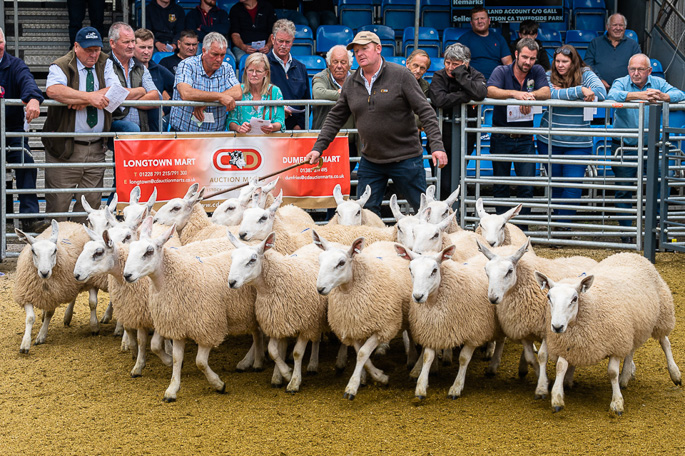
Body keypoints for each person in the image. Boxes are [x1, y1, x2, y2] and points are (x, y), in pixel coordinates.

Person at [303, 31, 447, 216]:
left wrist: (437, 146)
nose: (360, 53)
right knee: (367, 215)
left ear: (378, 49)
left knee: (424, 210)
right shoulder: (351, 82)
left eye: (365, 48)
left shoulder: (401, 75)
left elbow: (426, 111)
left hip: (406, 157)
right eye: (356, 51)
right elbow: (335, 117)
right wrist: (318, 148)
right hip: (371, 160)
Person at [43, 27, 123, 222]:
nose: (94, 54)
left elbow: (117, 90)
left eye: (97, 49)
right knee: (58, 205)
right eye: (88, 50)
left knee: (91, 207)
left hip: (96, 147)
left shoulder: (105, 62)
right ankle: (58, 241)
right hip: (64, 148)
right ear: (76, 46)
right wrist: (89, 98)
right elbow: (53, 90)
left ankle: (82, 240)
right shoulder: (61, 64)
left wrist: (81, 99)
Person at [607, 53, 685, 240]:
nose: (636, 73)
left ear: (649, 71)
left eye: (640, 69)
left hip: (654, 146)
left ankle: (657, 230)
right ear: (628, 69)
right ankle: (626, 232)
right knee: (624, 189)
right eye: (632, 69)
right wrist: (638, 96)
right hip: (625, 146)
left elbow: (680, 94)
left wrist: (665, 96)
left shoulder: (658, 83)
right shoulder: (621, 82)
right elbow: (611, 95)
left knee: (659, 186)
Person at [537, 45, 606, 225]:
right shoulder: (548, 75)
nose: (560, 65)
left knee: (573, 186)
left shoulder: (586, 73)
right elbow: (548, 94)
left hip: (579, 142)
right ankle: (557, 224)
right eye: (557, 61)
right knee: (556, 185)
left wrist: (564, 91)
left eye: (565, 61)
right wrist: (580, 91)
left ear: (573, 61)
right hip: (549, 140)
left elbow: (601, 92)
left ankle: (563, 226)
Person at [486, 38, 550, 227]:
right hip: (501, 135)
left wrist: (530, 96)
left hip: (525, 138)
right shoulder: (502, 70)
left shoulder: (537, 71)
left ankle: (522, 229)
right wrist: (515, 94)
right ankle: (501, 229)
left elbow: (546, 92)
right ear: (516, 54)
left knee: (527, 186)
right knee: (501, 186)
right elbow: (490, 90)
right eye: (525, 57)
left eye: (532, 58)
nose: (528, 62)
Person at [0, 27, 49, 232]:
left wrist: (33, 99)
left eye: (0, 42)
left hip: (13, 131)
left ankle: (29, 217)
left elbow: (28, 82)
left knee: (27, 162)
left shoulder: (15, 65)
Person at [429, 43, 487, 201]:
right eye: (447, 62)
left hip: (465, 137)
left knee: (458, 180)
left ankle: (457, 211)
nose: (450, 67)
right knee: (442, 183)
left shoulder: (475, 75)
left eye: (455, 64)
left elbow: (480, 93)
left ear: (466, 64)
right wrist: (465, 96)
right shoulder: (439, 76)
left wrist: (461, 75)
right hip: (441, 136)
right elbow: (439, 100)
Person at [169, 32, 242, 132]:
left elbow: (238, 92)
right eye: (215, 54)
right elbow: (186, 93)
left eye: (222, 55)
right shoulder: (187, 65)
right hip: (184, 133)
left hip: (216, 135)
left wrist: (206, 102)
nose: (219, 59)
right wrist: (219, 97)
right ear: (204, 51)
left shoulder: (226, 68)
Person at [109, 22, 160, 134]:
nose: (131, 46)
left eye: (133, 41)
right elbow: (111, 96)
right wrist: (141, 91)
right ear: (112, 43)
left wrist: (123, 100)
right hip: (112, 127)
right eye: (126, 42)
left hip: (141, 130)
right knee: (131, 128)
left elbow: (156, 99)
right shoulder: (105, 65)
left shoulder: (140, 67)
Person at [312, 44, 356, 172]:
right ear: (329, 64)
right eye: (335, 62)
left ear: (350, 64)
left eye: (343, 62)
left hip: (351, 140)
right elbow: (318, 93)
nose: (339, 66)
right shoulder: (321, 77)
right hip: (326, 140)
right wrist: (345, 94)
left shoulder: (357, 77)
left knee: (347, 173)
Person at [267, 19, 309, 130]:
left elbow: (306, 102)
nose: (284, 45)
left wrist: (300, 126)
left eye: (288, 42)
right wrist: (279, 110)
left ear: (293, 41)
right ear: (272, 39)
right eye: (280, 41)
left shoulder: (301, 67)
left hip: (295, 130)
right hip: (270, 128)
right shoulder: (263, 65)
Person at [227, 53, 284, 133]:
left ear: (266, 73)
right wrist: (239, 128)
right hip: (242, 138)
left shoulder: (275, 91)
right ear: (246, 70)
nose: (254, 74)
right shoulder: (238, 90)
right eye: (250, 70)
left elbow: (280, 121)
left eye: (258, 71)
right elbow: (231, 120)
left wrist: (272, 127)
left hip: (268, 139)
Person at [585, 13, 641, 91]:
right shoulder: (595, 43)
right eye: (614, 25)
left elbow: (639, 66)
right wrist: (599, 80)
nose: (618, 28)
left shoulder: (633, 45)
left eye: (621, 25)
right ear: (607, 27)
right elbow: (588, 64)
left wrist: (625, 83)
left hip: (626, 89)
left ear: (625, 27)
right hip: (599, 88)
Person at [134, 28, 175, 133]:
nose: (146, 51)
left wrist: (165, 109)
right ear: (133, 46)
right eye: (142, 47)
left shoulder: (159, 70)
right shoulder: (125, 68)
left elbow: (179, 91)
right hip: (132, 129)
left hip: (154, 130)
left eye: (150, 47)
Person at [457, 6, 513, 80]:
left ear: (489, 21)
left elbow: (508, 63)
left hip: (497, 81)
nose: (480, 21)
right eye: (476, 19)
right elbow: (460, 66)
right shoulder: (464, 40)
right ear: (471, 23)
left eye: (482, 18)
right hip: (473, 81)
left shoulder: (499, 38)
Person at [406, 49, 431, 131]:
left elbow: (424, 111)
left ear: (426, 70)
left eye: (422, 68)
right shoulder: (394, 81)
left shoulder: (426, 87)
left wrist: (419, 125)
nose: (418, 71)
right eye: (415, 65)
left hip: (414, 133)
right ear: (407, 63)